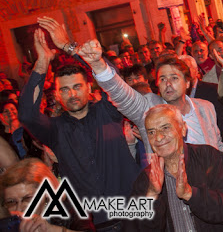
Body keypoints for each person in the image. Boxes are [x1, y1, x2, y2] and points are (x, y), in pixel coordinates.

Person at [19, 27, 139, 230]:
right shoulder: (54, 130)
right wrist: (42, 62)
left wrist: (69, 46)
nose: (72, 94)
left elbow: (113, 77)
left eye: (77, 86)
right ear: (57, 95)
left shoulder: (108, 111)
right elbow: (27, 115)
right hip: (95, 224)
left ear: (89, 88)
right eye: (64, 89)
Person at [76, 40, 223, 158]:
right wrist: (98, 65)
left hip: (212, 184)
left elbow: (217, 144)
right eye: (162, 79)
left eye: (174, 78)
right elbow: (122, 95)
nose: (168, 84)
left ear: (187, 82)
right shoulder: (150, 108)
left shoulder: (205, 107)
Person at [129, 104, 223, 231]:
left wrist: (190, 194)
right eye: (151, 132)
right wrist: (152, 196)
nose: (158, 137)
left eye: (165, 128)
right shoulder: (146, 180)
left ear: (183, 129)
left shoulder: (209, 158)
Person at [0, 158, 95, 231]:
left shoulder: (72, 211)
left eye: (28, 198)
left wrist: (50, 229)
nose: (19, 208)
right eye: (11, 202)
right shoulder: (7, 225)